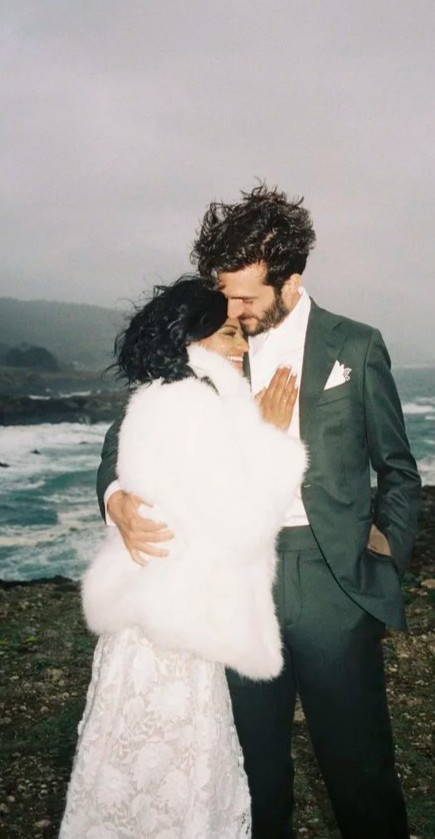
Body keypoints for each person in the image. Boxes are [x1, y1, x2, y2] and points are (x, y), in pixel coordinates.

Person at [97, 186, 422, 839]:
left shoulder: (355, 346)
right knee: (251, 778)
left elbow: (399, 468)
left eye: (245, 295)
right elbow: (126, 434)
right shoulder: (212, 337)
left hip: (331, 582)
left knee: (360, 774)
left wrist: (383, 562)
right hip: (232, 582)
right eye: (225, 291)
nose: (233, 308)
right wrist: (117, 499)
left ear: (291, 280)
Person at [61, 276, 307, 839]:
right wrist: (268, 438)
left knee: (134, 775)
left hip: (153, 617)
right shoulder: (194, 408)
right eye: (227, 334)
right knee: (175, 778)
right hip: (175, 632)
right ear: (190, 342)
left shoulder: (163, 398)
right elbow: (241, 524)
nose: (242, 346)